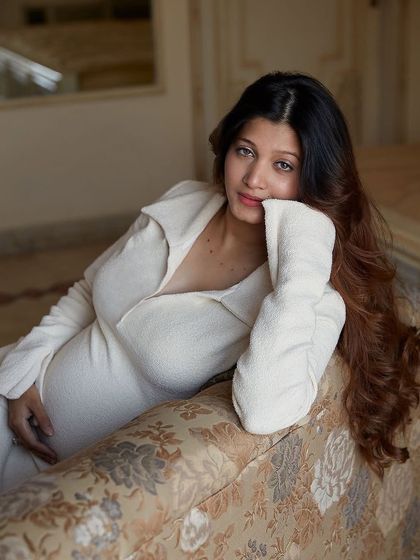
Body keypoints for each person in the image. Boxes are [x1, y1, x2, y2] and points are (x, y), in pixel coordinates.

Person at [0, 71, 418, 493]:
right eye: (245, 151)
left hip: (62, 480)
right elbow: (87, 292)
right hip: (15, 398)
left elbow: (264, 411)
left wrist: (305, 252)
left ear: (315, 178)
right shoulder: (183, 200)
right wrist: (21, 372)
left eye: (283, 165)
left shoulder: (310, 299)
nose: (254, 178)